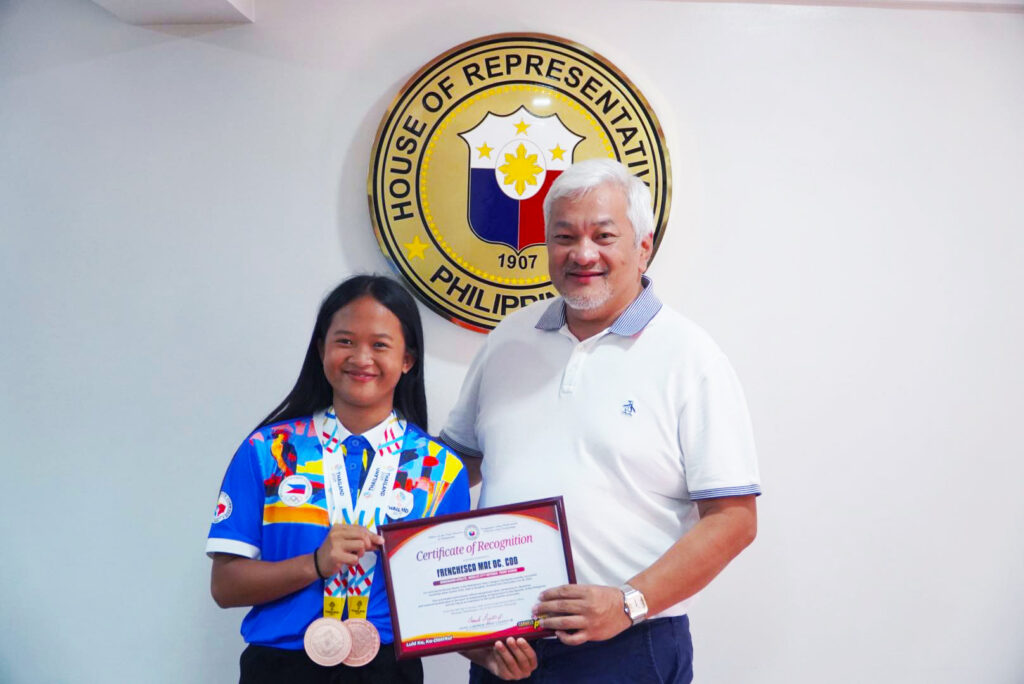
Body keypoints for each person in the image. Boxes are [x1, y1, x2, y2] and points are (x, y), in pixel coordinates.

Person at [442, 159, 761, 683]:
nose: (582, 253)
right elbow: (451, 465)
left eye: (603, 235)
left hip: (628, 646)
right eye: (564, 236)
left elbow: (734, 518)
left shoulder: (690, 356)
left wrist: (628, 603)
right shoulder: (508, 339)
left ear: (643, 247)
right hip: (508, 644)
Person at [207, 275, 528, 683]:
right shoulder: (268, 451)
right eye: (345, 341)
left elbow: (441, 602)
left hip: (387, 669)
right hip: (279, 668)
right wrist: (315, 564)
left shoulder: (440, 470)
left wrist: (491, 654)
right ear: (321, 349)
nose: (361, 358)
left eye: (379, 345)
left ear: (407, 359)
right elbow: (225, 586)